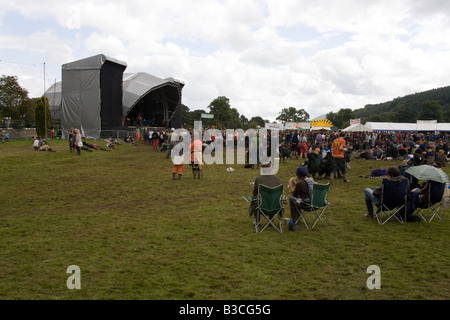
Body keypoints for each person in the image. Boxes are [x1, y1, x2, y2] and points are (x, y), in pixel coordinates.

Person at [287, 166, 310, 231]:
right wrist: (296, 184)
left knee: (292, 199)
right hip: (311, 200)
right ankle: (298, 218)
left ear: (298, 174)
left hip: (304, 202)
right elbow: (304, 188)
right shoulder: (309, 180)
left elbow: (294, 194)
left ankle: (294, 219)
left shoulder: (300, 183)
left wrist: (291, 185)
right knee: (297, 199)